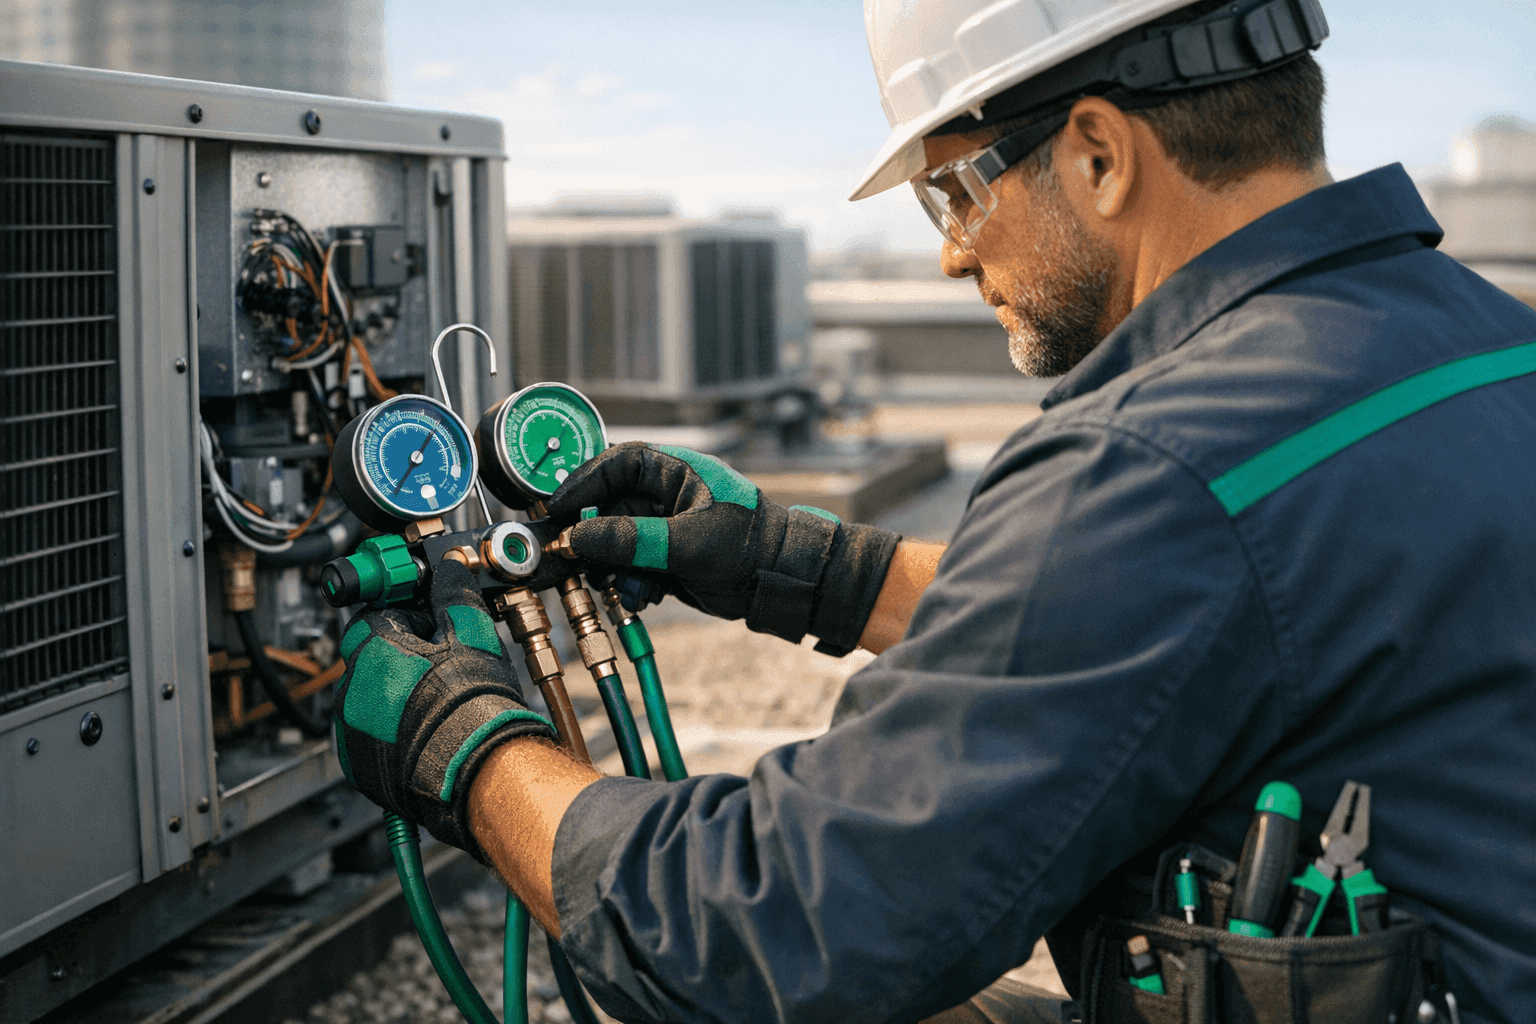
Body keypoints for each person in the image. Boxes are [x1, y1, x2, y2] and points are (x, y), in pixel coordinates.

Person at [331, 1, 1536, 1021]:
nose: (955, 256)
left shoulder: (1153, 464)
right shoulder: (1485, 346)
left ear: (1100, 155)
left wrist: (465, 744)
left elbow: (778, 933)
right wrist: (811, 570)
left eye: (954, 190)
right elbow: (1203, 611)